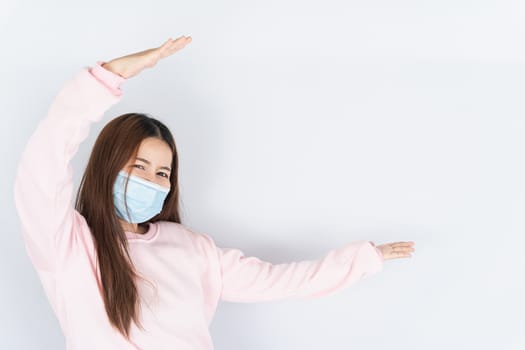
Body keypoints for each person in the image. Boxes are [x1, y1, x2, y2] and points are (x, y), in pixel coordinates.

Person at [13, 36, 416, 350]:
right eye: (138, 167)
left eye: (162, 173)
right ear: (107, 166)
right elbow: (42, 162)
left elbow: (279, 281)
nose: (151, 181)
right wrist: (108, 76)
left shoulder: (192, 250)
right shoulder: (67, 244)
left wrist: (363, 260)